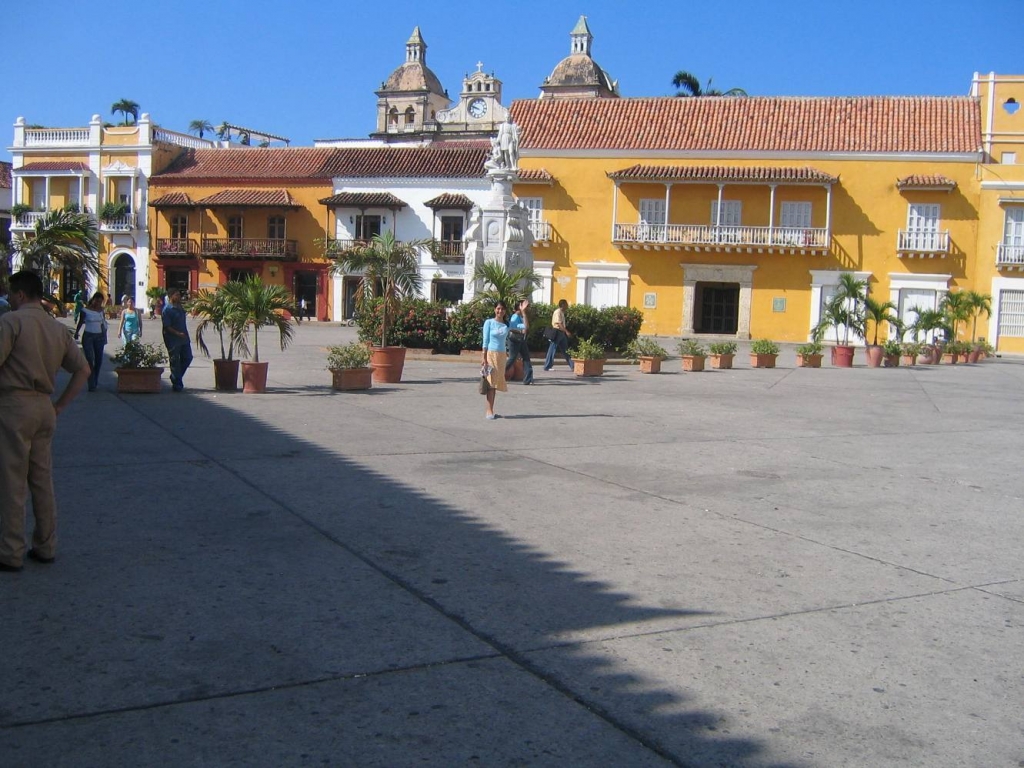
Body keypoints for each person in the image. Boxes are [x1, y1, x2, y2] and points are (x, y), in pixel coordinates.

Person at [0, 270, 90, 572]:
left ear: (21, 295)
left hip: (14, 404)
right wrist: (60, 405)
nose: (10, 299)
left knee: (12, 482)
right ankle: (46, 545)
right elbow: (83, 371)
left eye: (12, 295)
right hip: (44, 407)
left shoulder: (11, 322)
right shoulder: (56, 329)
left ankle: (10, 551)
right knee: (41, 480)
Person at [74, 292, 109, 392]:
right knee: (90, 360)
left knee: (99, 360)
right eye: (97, 301)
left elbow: (103, 323)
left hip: (100, 336)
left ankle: (95, 380)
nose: (98, 303)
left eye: (100, 301)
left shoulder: (101, 310)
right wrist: (76, 332)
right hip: (88, 336)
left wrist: (104, 335)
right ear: (93, 299)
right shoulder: (85, 310)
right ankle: (91, 383)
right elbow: (81, 322)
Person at [481, 301, 510, 420]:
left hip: (502, 356)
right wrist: (484, 357)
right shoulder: (489, 322)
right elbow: (485, 340)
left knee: (496, 383)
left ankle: (492, 409)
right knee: (491, 383)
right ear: (494, 309)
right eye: (498, 308)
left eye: (502, 309)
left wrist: (523, 312)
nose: (500, 311)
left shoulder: (506, 325)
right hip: (490, 355)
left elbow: (524, 328)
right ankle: (489, 410)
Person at [162, 288, 192, 392]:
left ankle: (175, 376)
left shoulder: (180, 307)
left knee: (188, 358)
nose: (179, 297)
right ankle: (177, 384)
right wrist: (178, 333)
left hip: (184, 338)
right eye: (177, 295)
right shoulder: (167, 310)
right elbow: (167, 326)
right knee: (175, 361)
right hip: (172, 339)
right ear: (171, 297)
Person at [504, 298, 534, 385]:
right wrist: (523, 312)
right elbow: (512, 328)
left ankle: (528, 379)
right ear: (520, 307)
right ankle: (499, 374)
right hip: (514, 340)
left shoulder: (521, 316)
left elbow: (526, 327)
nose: (527, 308)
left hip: (521, 339)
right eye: (525, 306)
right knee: (512, 359)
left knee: (526, 357)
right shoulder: (515, 316)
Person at [543, 299, 574, 371]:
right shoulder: (558, 312)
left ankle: (572, 366)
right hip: (557, 332)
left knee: (566, 350)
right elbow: (559, 324)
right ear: (563, 305)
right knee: (552, 349)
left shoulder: (562, 312)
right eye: (566, 304)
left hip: (561, 333)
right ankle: (547, 366)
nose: (567, 306)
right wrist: (566, 332)